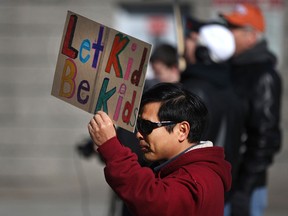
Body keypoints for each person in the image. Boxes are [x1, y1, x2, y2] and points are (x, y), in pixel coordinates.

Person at [88, 82, 232, 216]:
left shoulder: (198, 178)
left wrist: (111, 148)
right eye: (138, 126)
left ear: (182, 130)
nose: (139, 134)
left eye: (147, 126)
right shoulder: (188, 168)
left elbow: (152, 201)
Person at [219, 3, 282, 216]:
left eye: (233, 28)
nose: (227, 32)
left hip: (245, 187)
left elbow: (266, 137)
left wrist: (244, 187)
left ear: (252, 36)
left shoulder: (263, 75)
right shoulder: (230, 68)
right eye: (227, 25)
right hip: (225, 182)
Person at [181, 20, 245, 204]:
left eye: (192, 39)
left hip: (193, 192)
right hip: (219, 191)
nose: (186, 43)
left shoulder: (194, 91)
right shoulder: (231, 89)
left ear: (203, 51)